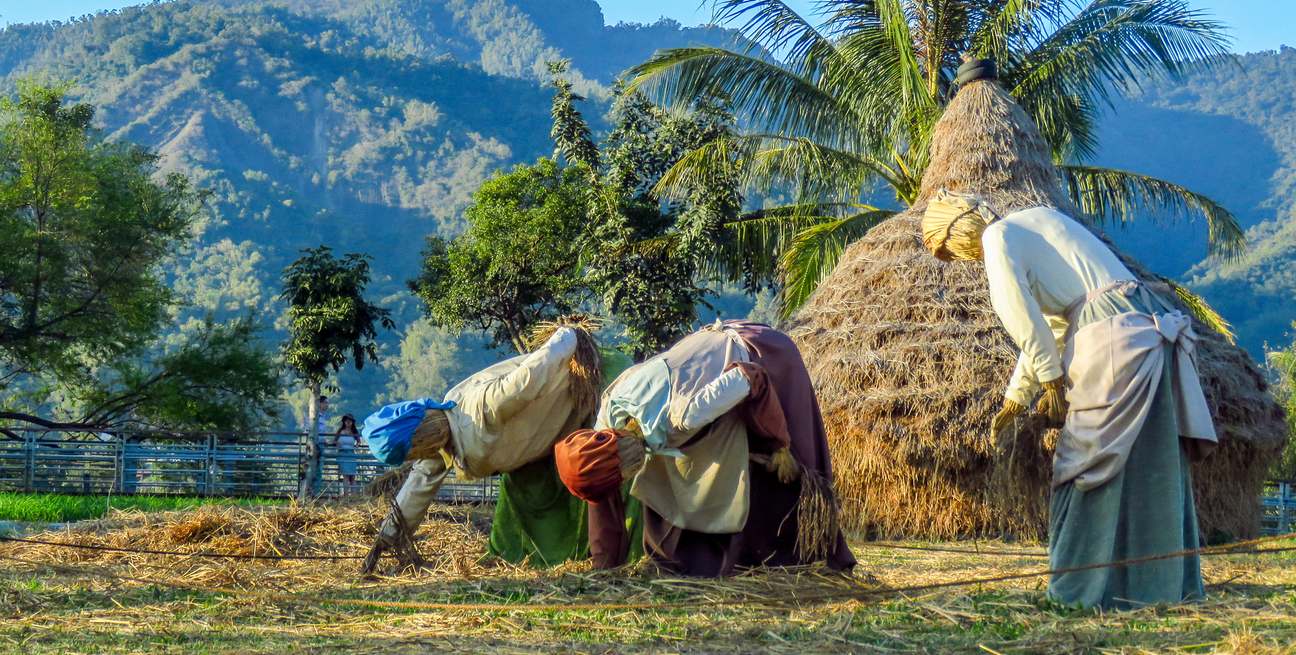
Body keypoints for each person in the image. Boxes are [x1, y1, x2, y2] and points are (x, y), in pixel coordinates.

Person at [921, 188, 1218, 610]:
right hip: (1143, 318)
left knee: (1086, 463)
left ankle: (1080, 591)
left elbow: (1021, 318)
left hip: (1110, 332)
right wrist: (1018, 397)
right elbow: (1054, 325)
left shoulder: (996, 237)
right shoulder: (1039, 218)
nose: (961, 259)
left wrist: (1052, 384)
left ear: (957, 230)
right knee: (1148, 456)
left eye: (951, 250)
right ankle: (1156, 585)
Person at [555, 319, 856, 577]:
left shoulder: (685, 415)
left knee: (776, 463)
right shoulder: (607, 419)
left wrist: (779, 442)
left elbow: (750, 376)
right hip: (700, 359)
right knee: (665, 476)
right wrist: (603, 568)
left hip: (762, 351)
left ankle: (794, 558)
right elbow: (602, 503)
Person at [361, 320, 603, 574]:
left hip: (586, 394)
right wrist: (386, 538)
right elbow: (416, 489)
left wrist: (567, 335)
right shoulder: (444, 443)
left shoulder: (478, 406)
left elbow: (530, 376)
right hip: (544, 446)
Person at [333, 414, 361, 494]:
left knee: (352, 476)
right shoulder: (340, 431)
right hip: (342, 454)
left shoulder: (355, 431)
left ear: (352, 422)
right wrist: (337, 443)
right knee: (346, 475)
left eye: (350, 420)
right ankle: (346, 495)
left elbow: (359, 441)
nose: (348, 422)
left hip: (351, 454)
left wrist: (357, 444)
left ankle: (353, 495)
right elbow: (334, 440)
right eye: (346, 420)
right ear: (344, 421)